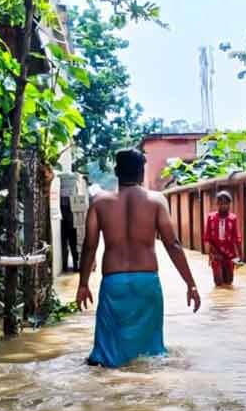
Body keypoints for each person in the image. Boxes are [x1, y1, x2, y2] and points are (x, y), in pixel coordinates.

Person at [77, 149, 201, 368]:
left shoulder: (99, 203)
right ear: (142, 172)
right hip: (147, 284)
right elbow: (173, 245)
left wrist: (83, 283)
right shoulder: (156, 201)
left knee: (105, 359)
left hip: (113, 283)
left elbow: (89, 246)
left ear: (116, 171)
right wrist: (190, 284)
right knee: (151, 356)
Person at [203, 191, 241, 287]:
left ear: (229, 205)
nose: (223, 206)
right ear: (217, 204)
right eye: (220, 203)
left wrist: (239, 258)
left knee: (229, 281)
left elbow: (237, 238)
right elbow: (207, 237)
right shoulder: (211, 217)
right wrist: (211, 253)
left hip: (230, 254)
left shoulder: (233, 218)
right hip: (216, 254)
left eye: (225, 203)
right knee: (218, 282)